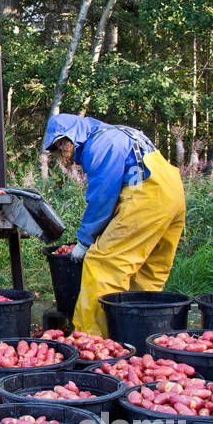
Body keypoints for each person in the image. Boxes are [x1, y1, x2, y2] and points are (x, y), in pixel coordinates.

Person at [43, 113, 186, 337]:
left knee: (103, 263)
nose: (61, 152)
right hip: (172, 194)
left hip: (146, 197)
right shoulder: (120, 132)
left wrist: (85, 240)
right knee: (147, 271)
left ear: (70, 137)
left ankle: (92, 339)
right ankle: (139, 335)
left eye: (60, 145)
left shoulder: (100, 144)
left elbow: (102, 196)